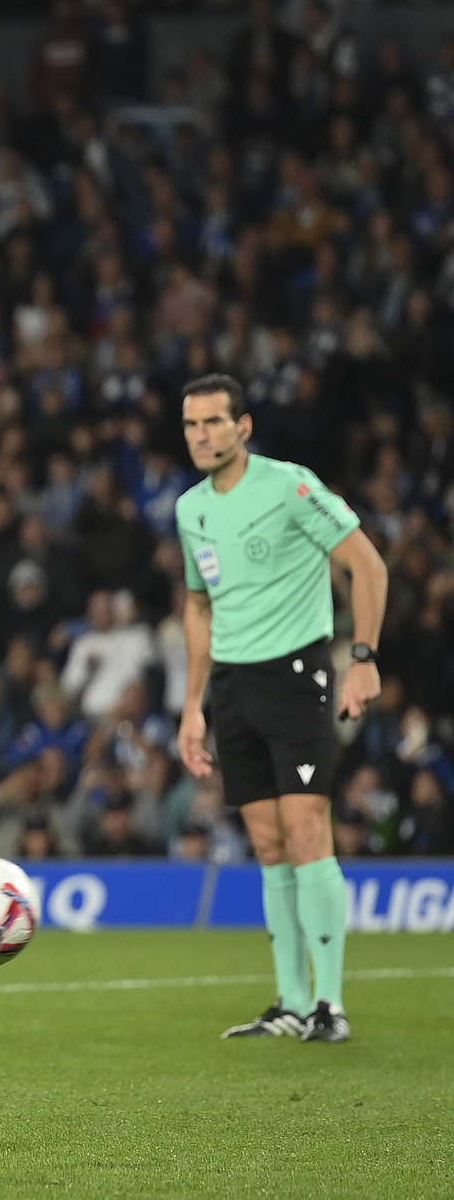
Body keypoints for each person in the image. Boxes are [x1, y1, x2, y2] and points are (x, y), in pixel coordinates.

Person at [175, 374, 387, 1043]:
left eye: (213, 422)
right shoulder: (190, 510)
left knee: (306, 834)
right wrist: (192, 706)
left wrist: (363, 658)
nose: (201, 436)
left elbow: (367, 563)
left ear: (244, 427)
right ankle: (291, 1001)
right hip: (233, 688)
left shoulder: (291, 486)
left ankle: (331, 1004)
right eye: (191, 425)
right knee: (267, 846)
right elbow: (198, 605)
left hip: (296, 676)